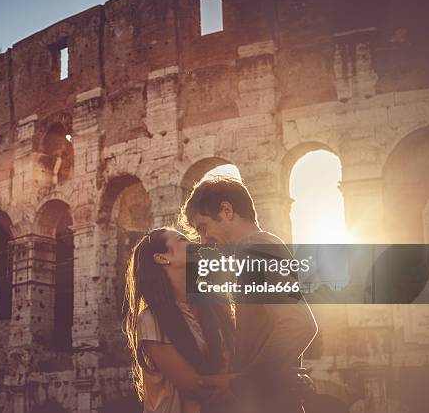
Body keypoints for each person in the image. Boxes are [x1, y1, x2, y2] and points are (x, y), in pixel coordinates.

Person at [179, 174, 319, 413]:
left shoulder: (255, 247)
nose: (202, 241)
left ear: (226, 210)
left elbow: (298, 323)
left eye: (203, 228)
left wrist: (242, 383)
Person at [123, 227, 239, 413]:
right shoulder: (151, 320)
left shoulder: (216, 305)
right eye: (182, 240)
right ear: (162, 258)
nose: (195, 243)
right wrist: (254, 381)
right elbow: (195, 386)